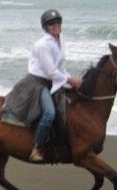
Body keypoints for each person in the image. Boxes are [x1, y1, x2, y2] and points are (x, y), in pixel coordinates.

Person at [27, 9, 82, 162]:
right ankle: (36, 148)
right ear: (46, 27)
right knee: (49, 113)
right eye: (51, 23)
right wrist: (70, 81)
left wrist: (72, 79)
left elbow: (59, 66)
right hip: (39, 83)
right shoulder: (43, 45)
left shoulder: (60, 39)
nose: (56, 25)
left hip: (53, 79)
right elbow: (51, 72)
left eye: (58, 22)